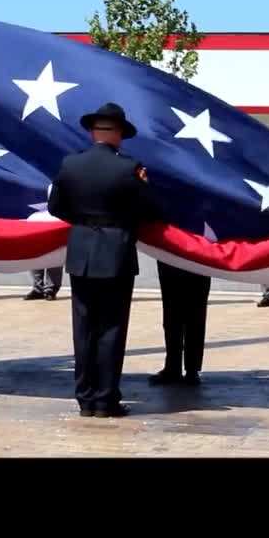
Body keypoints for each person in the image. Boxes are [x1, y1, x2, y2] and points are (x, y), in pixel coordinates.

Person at [48, 102, 164, 418]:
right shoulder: (129, 168)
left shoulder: (71, 164)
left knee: (84, 328)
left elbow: (55, 207)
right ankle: (106, 399)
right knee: (111, 328)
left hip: (82, 250)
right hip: (115, 250)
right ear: (119, 135)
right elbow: (151, 209)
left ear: (91, 132)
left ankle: (85, 398)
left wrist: (85, 221)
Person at [150, 262, 211, 386]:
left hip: (197, 256)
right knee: (172, 312)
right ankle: (174, 366)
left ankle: (191, 369)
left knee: (195, 312)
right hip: (172, 256)